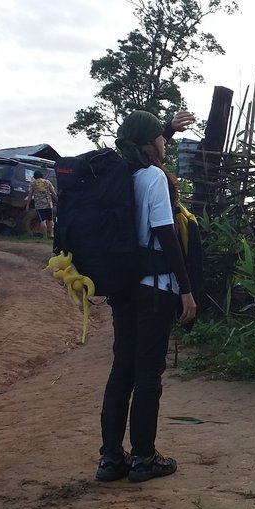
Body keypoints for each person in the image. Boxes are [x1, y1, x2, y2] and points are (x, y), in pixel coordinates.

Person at [95, 109, 198, 483]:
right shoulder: (154, 177)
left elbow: (147, 140)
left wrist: (166, 128)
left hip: (123, 286)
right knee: (148, 373)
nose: (164, 144)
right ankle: (143, 458)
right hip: (155, 289)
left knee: (122, 369)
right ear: (148, 144)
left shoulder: (119, 173)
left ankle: (110, 459)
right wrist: (186, 290)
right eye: (160, 139)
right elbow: (167, 236)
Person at [27, 170, 58, 238]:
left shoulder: (33, 183)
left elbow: (29, 195)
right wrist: (57, 200)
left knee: (42, 221)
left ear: (35, 176)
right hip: (48, 204)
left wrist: (27, 205)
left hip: (39, 205)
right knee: (50, 220)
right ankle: (52, 234)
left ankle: (45, 236)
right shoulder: (47, 182)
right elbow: (53, 193)